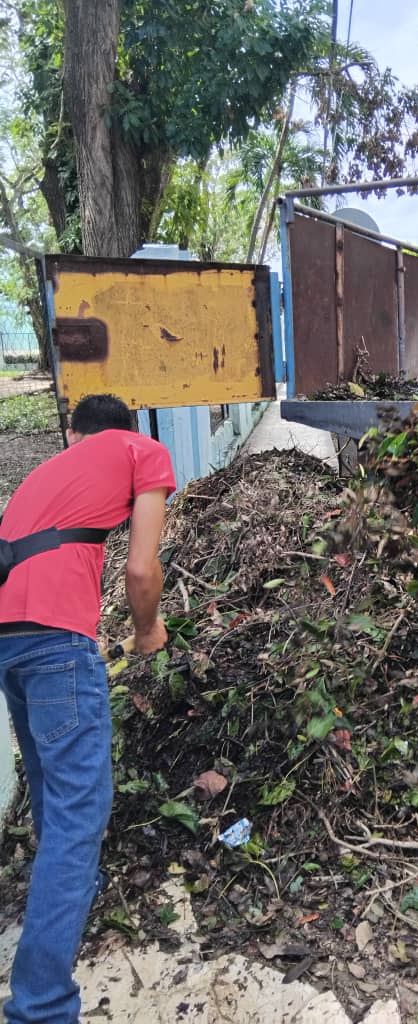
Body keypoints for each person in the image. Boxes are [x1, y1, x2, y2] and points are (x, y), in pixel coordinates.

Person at [0, 393, 176, 1024]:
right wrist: (149, 629)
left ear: (75, 434)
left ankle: (64, 906)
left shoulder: (46, 473)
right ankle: (41, 1007)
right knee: (79, 819)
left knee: (52, 802)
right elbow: (140, 570)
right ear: (125, 430)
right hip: (55, 649)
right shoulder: (144, 451)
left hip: (8, 642)